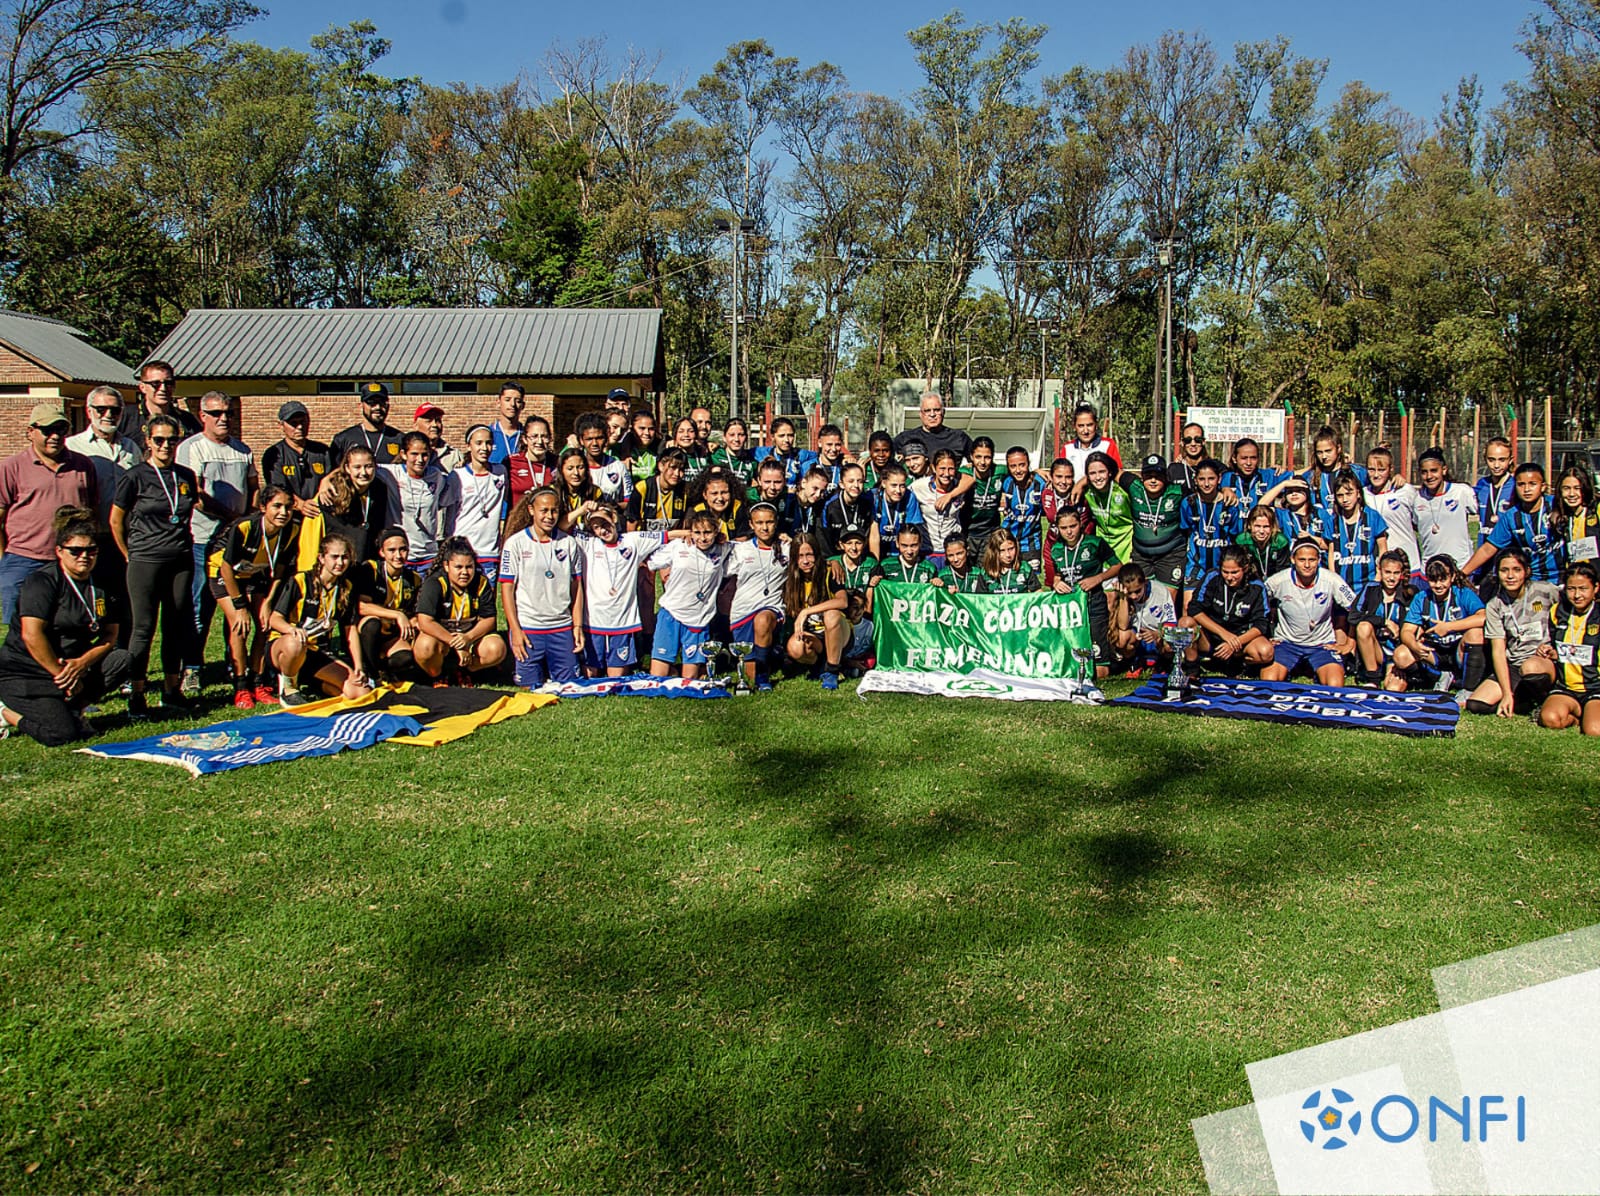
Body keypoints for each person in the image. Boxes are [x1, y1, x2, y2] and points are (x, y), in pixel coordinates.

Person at [0, 510, 133, 746]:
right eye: (76, 551)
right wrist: (62, 675)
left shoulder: (104, 583)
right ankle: (6, 712)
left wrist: (82, 664)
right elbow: (31, 635)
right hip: (28, 670)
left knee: (121, 659)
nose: (84, 556)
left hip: (72, 665)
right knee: (61, 735)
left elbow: (111, 635)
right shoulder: (42, 582)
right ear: (60, 551)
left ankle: (74, 709)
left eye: (91, 550)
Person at [110, 414, 199, 718]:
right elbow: (116, 520)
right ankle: (136, 692)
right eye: (159, 440)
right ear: (147, 441)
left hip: (180, 559)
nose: (165, 446)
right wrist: (129, 554)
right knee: (142, 628)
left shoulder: (185, 476)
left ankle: (172, 690)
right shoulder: (135, 476)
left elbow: (183, 513)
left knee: (175, 625)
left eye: (171, 440)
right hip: (145, 559)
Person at [177, 390, 258, 689]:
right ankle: (193, 667)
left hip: (236, 541)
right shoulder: (191, 448)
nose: (223, 419)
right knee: (200, 606)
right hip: (203, 539)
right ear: (202, 416)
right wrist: (231, 518)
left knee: (237, 605)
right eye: (216, 414)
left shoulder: (242, 450)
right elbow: (196, 495)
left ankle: (233, 663)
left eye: (228, 413)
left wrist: (248, 520)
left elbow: (253, 487)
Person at [0, 404, 100, 626]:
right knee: (21, 627)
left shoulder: (83, 465)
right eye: (47, 430)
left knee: (70, 623)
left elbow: (92, 509)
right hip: (24, 559)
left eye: (61, 430)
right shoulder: (11, 467)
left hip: (70, 559)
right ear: (30, 432)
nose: (55, 436)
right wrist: (4, 557)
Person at [207, 487, 298, 708]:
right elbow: (227, 568)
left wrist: (268, 602)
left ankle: (258, 683)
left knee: (264, 625)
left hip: (255, 573)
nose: (283, 512)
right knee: (240, 626)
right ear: (263, 507)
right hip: (223, 573)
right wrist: (240, 606)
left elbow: (281, 569)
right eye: (277, 506)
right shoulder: (245, 527)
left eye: (288, 507)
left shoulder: (292, 529)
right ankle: (241, 686)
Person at [577, 501, 683, 678]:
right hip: (593, 622)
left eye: (604, 523)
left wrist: (692, 534)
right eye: (596, 527)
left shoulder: (632, 540)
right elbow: (563, 526)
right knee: (590, 675)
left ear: (613, 518)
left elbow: (667, 535)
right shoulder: (589, 543)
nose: (602, 530)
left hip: (623, 623)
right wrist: (582, 510)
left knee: (616, 678)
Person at [265, 533, 372, 704]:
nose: (340, 562)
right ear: (321, 558)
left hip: (317, 651)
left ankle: (313, 682)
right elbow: (275, 619)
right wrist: (292, 630)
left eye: (344, 557)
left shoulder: (346, 587)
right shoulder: (300, 580)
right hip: (286, 648)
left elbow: (350, 629)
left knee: (360, 692)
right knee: (295, 643)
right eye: (334, 557)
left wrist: (358, 665)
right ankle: (288, 687)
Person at [499, 489, 585, 687]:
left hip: (561, 626)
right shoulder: (516, 544)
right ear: (531, 510)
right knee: (528, 687)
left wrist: (577, 626)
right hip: (529, 628)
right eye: (543, 510)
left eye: (554, 511)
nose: (549, 516)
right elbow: (507, 590)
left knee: (570, 686)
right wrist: (515, 630)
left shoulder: (569, 543)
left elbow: (576, 587)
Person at [1463, 547, 1558, 717]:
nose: (1510, 576)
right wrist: (1506, 693)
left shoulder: (1545, 590)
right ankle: (1522, 703)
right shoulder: (1495, 605)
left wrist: (1556, 648)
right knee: (1476, 705)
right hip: (1514, 664)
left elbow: (1569, 612)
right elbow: (1498, 650)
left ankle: (1546, 697)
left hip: (1541, 661)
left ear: (1527, 571)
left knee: (1531, 668)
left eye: (1516, 570)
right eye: (1504, 570)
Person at [1261, 538, 1358, 686]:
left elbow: (1356, 608)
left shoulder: (1331, 579)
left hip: (1322, 644)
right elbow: (1256, 602)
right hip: (1287, 643)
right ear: (1293, 559)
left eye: (1312, 560)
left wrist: (1349, 643)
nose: (1307, 565)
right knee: (1268, 682)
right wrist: (1265, 636)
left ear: (1319, 559)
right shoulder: (1278, 581)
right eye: (1302, 560)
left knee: (1335, 686)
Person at [412, 537, 508, 685]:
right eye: (458, 567)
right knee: (425, 647)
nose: (464, 572)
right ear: (446, 566)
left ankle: (466, 671)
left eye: (469, 567)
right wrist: (455, 643)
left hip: (469, 638)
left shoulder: (481, 582)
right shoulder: (435, 583)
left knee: (496, 648)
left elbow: (489, 619)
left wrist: (468, 638)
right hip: (441, 639)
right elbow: (425, 621)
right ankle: (438, 675)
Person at [646, 511, 729, 679]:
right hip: (671, 613)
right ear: (690, 532)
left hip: (698, 618)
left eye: (707, 532)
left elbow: (751, 548)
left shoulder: (724, 548)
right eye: (697, 532)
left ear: (716, 532)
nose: (702, 538)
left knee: (689, 680)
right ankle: (678, 669)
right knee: (658, 676)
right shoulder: (678, 546)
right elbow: (651, 561)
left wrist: (784, 540)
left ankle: (710, 664)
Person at [1391, 555, 1486, 693]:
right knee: (1401, 655)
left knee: (1476, 633)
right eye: (1434, 580)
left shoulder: (1462, 593)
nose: (1438, 585)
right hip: (1434, 651)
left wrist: (1448, 627)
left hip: (1459, 648)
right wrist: (1414, 645)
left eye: (1443, 579)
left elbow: (1483, 617)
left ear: (1452, 577)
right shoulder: (1422, 597)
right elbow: (1406, 631)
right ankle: (1441, 677)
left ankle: (1467, 688)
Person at [1462, 462, 1561, 585]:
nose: (1526, 489)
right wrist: (1463, 573)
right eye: (1521, 484)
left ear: (1543, 486)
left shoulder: (1557, 505)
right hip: (1534, 582)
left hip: (1564, 578)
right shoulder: (1511, 516)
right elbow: (1489, 548)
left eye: (1532, 484)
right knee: (1538, 604)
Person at [1181, 545, 1275, 674]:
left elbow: (1262, 623)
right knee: (1185, 623)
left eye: (1235, 572)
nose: (1229, 577)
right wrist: (1223, 633)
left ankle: (1238, 663)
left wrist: (1235, 642)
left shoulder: (1256, 586)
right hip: (1211, 635)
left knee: (1265, 652)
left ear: (1245, 569)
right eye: (1225, 572)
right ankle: (1192, 668)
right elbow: (1194, 608)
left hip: (1240, 639)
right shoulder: (1212, 577)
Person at [1049, 506, 1120, 673]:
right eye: (1064, 528)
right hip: (1070, 607)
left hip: (1094, 602)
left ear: (1080, 524)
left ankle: (1111, 659)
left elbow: (1118, 566)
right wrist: (1056, 582)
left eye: (1072, 526)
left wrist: (1098, 578)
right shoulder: (1056, 549)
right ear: (1057, 529)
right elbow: (1058, 574)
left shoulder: (1094, 543)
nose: (1069, 532)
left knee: (1100, 671)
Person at [726, 502, 788, 690]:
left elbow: (810, 559)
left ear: (776, 523)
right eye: (759, 523)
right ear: (751, 525)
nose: (764, 527)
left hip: (771, 608)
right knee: (748, 673)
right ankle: (773, 656)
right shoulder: (741, 549)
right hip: (743, 610)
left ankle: (763, 678)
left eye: (769, 522)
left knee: (762, 620)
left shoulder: (786, 548)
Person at [1536, 560, 1600, 734]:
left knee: (1594, 730)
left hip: (1595, 686)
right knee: (1550, 719)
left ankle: (1590, 713)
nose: (1577, 595)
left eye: (1583, 589)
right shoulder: (1558, 611)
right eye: (1571, 589)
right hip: (1566, 687)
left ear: (1595, 588)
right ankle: (1578, 715)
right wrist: (1548, 650)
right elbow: (1557, 645)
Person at [782, 532, 850, 689]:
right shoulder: (791, 578)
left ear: (817, 554)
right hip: (814, 635)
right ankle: (819, 666)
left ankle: (832, 670)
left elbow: (843, 601)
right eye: (800, 556)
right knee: (795, 647)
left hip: (838, 632)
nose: (805, 561)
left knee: (832, 614)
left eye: (809, 555)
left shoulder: (829, 571)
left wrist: (806, 612)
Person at [355, 527, 424, 682]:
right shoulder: (370, 569)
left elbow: (415, 613)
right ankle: (371, 674)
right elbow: (362, 606)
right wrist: (397, 614)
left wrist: (413, 621)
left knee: (405, 658)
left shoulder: (414, 578)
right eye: (391, 550)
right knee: (372, 624)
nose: (398, 556)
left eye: (403, 550)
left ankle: (383, 671)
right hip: (368, 631)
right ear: (382, 552)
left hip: (392, 634)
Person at [66, 386, 140, 526]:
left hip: (126, 529)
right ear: (89, 411)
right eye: (101, 409)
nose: (108, 415)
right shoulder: (72, 447)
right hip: (90, 530)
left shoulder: (131, 447)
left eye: (115, 410)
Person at [443, 426, 507, 581]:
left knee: (486, 601)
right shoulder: (457, 476)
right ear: (468, 445)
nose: (484, 448)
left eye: (488, 443)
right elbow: (445, 506)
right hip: (462, 548)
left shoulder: (501, 472)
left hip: (489, 550)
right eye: (478, 443)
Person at [378, 431, 449, 571]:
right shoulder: (391, 473)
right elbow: (356, 467)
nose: (420, 459)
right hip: (402, 555)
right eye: (414, 454)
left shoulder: (437, 476)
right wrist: (326, 481)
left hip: (429, 555)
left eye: (424, 454)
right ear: (404, 454)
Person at [1180, 458, 1243, 603]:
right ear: (1195, 480)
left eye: (1211, 479)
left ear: (1219, 479)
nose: (1206, 483)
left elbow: (1235, 536)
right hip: (1196, 564)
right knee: (1188, 607)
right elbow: (1185, 530)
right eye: (1202, 479)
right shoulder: (1189, 503)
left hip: (1222, 565)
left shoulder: (1230, 504)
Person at [1320, 468, 1390, 598]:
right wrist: (1335, 583)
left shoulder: (1372, 517)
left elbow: (1383, 550)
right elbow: (1331, 553)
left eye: (1349, 493)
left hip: (1368, 584)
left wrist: (1378, 578)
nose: (1345, 499)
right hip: (1343, 587)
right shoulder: (1332, 521)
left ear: (1358, 493)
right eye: (1340, 495)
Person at [1351, 550, 1414, 687]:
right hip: (1377, 650)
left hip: (1398, 652)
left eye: (1396, 573)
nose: (1391, 578)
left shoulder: (1410, 593)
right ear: (1380, 570)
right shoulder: (1370, 589)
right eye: (1387, 572)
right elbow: (1353, 616)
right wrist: (1384, 622)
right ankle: (1373, 678)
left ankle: (1394, 671)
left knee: (1393, 689)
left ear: (1402, 573)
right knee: (1363, 627)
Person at [261, 401, 334, 518]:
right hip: (289, 516)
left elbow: (335, 475)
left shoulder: (322, 451)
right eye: (293, 423)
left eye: (302, 422)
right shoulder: (274, 454)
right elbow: (277, 488)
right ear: (281, 425)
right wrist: (300, 505)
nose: (299, 427)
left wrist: (327, 481)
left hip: (321, 514)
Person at [1128, 454, 1187, 596]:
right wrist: (1082, 483)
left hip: (1171, 555)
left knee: (1167, 599)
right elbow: (1111, 469)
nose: (1153, 480)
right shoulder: (1133, 487)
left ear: (1166, 476)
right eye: (1148, 475)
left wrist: (1225, 490)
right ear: (1141, 477)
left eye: (1158, 476)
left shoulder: (1177, 491)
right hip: (1142, 555)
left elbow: (1204, 492)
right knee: (1142, 598)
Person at [318, 446, 387, 565]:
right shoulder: (331, 493)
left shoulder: (379, 489)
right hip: (340, 563)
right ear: (347, 468)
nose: (363, 472)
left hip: (368, 563)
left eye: (368, 466)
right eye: (357, 467)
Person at [1106, 562, 1178, 675]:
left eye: (1138, 591)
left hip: (1157, 636)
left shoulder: (1160, 591)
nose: (1134, 596)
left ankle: (1164, 663)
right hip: (1138, 638)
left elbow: (1171, 622)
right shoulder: (1122, 596)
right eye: (1130, 593)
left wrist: (1157, 633)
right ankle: (1134, 662)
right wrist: (1124, 598)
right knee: (1121, 637)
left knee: (1170, 642)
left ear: (1145, 582)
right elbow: (1122, 626)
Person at [1413, 448, 1478, 569]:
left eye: (1434, 471)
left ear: (1444, 470)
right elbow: (1416, 525)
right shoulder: (1417, 499)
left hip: (1461, 567)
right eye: (1424, 472)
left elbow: (1482, 512)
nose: (1429, 476)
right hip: (1430, 568)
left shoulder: (1461, 492)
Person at [118, 359, 199, 449]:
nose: (163, 388)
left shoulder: (187, 421)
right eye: (155, 383)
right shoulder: (125, 417)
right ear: (142, 387)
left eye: (168, 383)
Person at [1364, 445, 1421, 573]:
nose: (1376, 475)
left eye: (1381, 470)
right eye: (1371, 469)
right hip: (1379, 567)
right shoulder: (1363, 495)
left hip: (1409, 564)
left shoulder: (1405, 491)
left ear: (1391, 469)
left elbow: (1419, 522)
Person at [910, 450, 966, 568]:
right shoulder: (919, 486)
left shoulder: (960, 486)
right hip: (928, 550)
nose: (946, 473)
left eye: (951, 469)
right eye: (942, 468)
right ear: (934, 468)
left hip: (952, 551)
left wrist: (949, 495)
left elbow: (971, 479)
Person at [1078, 451, 1134, 567]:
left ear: (1109, 473)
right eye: (1092, 473)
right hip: (1103, 547)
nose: (1098, 477)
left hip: (1127, 545)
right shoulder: (1087, 491)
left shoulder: (1122, 491)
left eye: (1102, 472)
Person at [331, 382, 404, 466]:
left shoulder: (400, 439)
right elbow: (335, 474)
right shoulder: (343, 439)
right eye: (371, 402)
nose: (377, 407)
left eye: (382, 402)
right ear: (361, 405)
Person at [1302, 425, 1367, 517]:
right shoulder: (1310, 476)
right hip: (1322, 527)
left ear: (1339, 448)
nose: (1324, 456)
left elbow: (1380, 482)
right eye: (1320, 452)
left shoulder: (1356, 472)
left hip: (1348, 526)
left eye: (1328, 451)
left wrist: (1395, 477)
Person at [893, 391, 973, 465]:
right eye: (927, 411)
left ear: (943, 412)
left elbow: (977, 463)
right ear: (920, 414)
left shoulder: (959, 438)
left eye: (937, 410)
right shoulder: (904, 438)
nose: (932, 414)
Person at [998, 446, 1047, 567]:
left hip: (1031, 541)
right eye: (1013, 466)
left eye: (1022, 465)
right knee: (1011, 579)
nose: (1018, 470)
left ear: (1028, 464)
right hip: (1008, 539)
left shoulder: (1040, 483)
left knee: (1031, 580)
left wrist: (1037, 471)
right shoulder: (1005, 482)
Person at [868, 463, 923, 562]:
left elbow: (911, 530)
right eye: (894, 485)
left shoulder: (909, 497)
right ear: (884, 483)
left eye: (902, 486)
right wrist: (876, 564)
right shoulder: (873, 497)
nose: (898, 490)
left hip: (901, 552)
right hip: (878, 550)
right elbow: (874, 536)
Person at [575, 412, 630, 504]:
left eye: (599, 438)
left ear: (606, 438)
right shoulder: (574, 468)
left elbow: (629, 501)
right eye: (589, 439)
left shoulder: (618, 467)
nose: (595, 444)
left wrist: (611, 508)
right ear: (581, 440)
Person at [1473, 436, 1516, 548]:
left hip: (1508, 551)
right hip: (1484, 550)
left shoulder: (1516, 486)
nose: (1496, 465)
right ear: (1485, 459)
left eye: (1502, 460)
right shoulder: (1482, 485)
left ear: (1510, 459)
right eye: (1491, 460)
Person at [821, 463, 873, 554]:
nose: (856, 485)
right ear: (841, 484)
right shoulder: (829, 506)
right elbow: (824, 539)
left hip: (859, 555)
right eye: (851, 481)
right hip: (836, 556)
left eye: (860, 481)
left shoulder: (867, 504)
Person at [506, 415, 557, 509]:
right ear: (525, 439)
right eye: (534, 436)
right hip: (518, 521)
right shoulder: (511, 462)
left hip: (548, 521)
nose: (540, 441)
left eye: (544, 436)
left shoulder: (557, 462)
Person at [1554, 464, 1600, 566]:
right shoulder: (1564, 517)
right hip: (1575, 575)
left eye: (1577, 488)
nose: (1571, 494)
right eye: (1566, 488)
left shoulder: (1596, 509)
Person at [1061, 404, 1122, 478]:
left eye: (1089, 425)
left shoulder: (1107, 445)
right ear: (1074, 426)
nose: (1086, 431)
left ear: (1096, 425)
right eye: (1081, 426)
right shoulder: (1068, 448)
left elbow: (1117, 473)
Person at [752, 416, 811, 489]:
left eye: (790, 435)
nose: (786, 440)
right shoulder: (761, 453)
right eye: (781, 436)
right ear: (773, 437)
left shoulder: (802, 454)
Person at [1222, 437, 1280, 510]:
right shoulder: (1227, 478)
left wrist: (1285, 482)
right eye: (1244, 458)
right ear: (1234, 458)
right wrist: (1224, 489)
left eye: (1253, 458)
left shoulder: (1268, 475)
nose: (1248, 463)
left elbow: (1296, 476)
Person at [1237, 505, 1290, 581]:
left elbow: (1283, 570)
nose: (1261, 531)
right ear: (1249, 526)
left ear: (1272, 527)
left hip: (1275, 580)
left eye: (1266, 527)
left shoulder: (1280, 541)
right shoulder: (1242, 540)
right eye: (1257, 526)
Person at [873, 524, 938, 586]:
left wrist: (937, 583)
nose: (909, 551)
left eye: (913, 545)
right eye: (904, 546)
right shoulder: (886, 565)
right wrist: (874, 581)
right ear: (897, 543)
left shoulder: (929, 568)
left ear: (920, 543)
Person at [980, 528, 1040, 593]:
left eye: (1011, 549)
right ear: (994, 552)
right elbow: (979, 599)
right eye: (1002, 550)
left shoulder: (1025, 568)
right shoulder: (985, 572)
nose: (1008, 555)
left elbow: (1038, 594)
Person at [414, 403, 463, 474]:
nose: (434, 425)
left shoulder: (454, 455)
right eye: (428, 421)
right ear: (416, 426)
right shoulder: (407, 453)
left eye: (438, 420)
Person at [711, 417, 758, 490]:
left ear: (746, 437)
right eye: (732, 435)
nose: (736, 439)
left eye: (741, 435)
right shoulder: (714, 456)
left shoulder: (751, 461)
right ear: (724, 437)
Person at [487, 381, 526, 467]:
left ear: (523, 406)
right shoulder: (488, 433)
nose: (512, 404)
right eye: (507, 400)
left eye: (518, 401)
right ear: (498, 403)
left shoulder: (527, 436)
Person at [1167, 421, 1209, 494]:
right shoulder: (1174, 469)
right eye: (1188, 440)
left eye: (1197, 440)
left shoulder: (1214, 466)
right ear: (1182, 443)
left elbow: (1227, 477)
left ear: (1203, 442)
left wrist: (1226, 488)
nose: (1193, 444)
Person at [668, 416, 711, 485]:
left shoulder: (704, 454)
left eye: (691, 431)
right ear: (675, 435)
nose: (686, 435)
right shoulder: (669, 456)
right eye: (681, 431)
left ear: (696, 434)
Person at [812, 424, 850, 494]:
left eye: (837, 445)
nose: (833, 449)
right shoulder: (808, 466)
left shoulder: (845, 467)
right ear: (820, 443)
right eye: (829, 444)